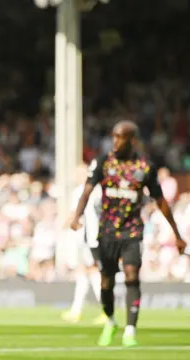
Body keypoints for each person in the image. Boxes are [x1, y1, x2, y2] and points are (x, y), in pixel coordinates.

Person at [70, 120, 186, 347]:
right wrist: (77, 216)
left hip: (132, 230)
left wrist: (177, 233)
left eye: (120, 137)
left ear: (131, 140)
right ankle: (111, 320)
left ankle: (130, 329)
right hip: (106, 232)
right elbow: (86, 191)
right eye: (113, 136)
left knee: (132, 276)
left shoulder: (144, 168)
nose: (115, 141)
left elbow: (161, 202)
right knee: (106, 282)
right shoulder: (102, 163)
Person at [61, 164, 105, 324]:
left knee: (91, 271)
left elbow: (75, 213)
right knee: (84, 272)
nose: (75, 176)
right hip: (91, 237)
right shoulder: (98, 189)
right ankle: (77, 309)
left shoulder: (82, 190)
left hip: (86, 237)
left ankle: (106, 309)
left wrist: (62, 226)